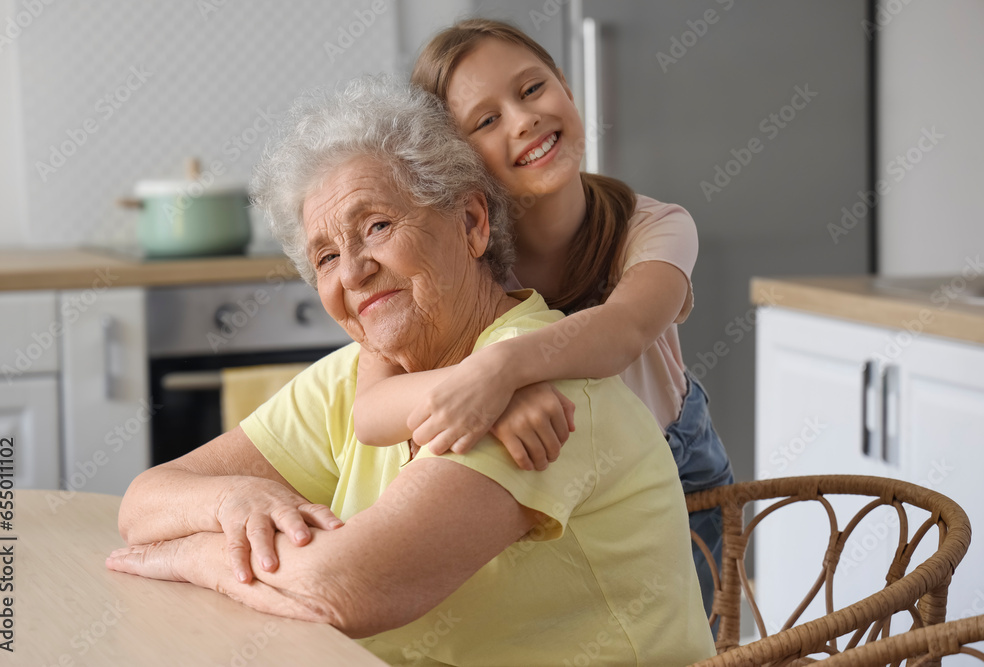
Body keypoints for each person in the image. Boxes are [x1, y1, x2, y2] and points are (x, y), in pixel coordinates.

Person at [105, 77, 716, 666]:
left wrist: (199, 557)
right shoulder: (353, 377)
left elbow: (341, 588)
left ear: (472, 224)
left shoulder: (531, 386)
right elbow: (143, 504)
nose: (351, 273)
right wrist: (236, 498)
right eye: (325, 256)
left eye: (376, 227)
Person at [348, 18, 735, 616]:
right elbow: (371, 412)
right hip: (543, 468)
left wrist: (500, 370)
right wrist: (486, 391)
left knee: (686, 636)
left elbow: (624, 332)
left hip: (671, 461)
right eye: (487, 120)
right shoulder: (455, 259)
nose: (523, 119)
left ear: (569, 92)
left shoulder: (656, 227)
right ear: (454, 164)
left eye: (532, 90)